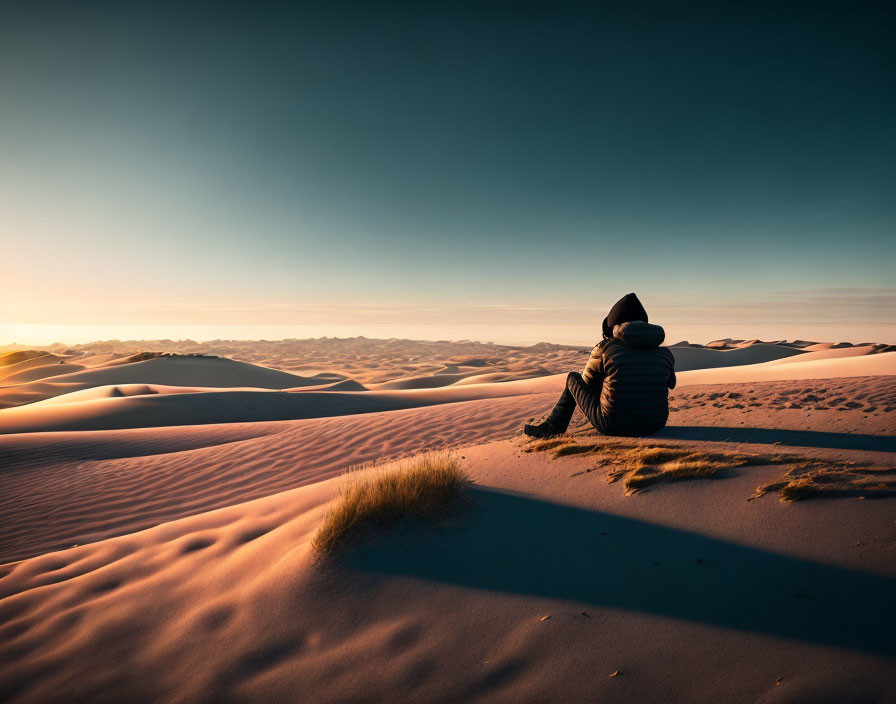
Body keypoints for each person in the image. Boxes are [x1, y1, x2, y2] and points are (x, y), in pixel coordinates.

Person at [524, 292, 676, 438]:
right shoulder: (665, 353)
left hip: (613, 425)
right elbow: (671, 384)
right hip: (655, 424)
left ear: (614, 327)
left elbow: (587, 385)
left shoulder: (604, 348)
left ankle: (553, 427)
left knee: (573, 378)